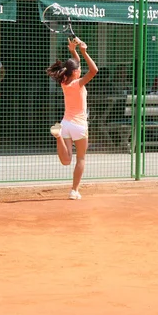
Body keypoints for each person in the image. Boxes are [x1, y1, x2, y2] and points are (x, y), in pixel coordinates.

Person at [46, 38, 98, 200]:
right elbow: (94, 70)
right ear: (75, 72)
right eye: (78, 69)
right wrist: (83, 51)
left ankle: (58, 136)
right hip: (79, 126)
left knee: (66, 160)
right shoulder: (78, 84)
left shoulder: (64, 81)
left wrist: (73, 51)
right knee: (80, 158)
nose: (80, 70)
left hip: (66, 124)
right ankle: (74, 190)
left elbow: (76, 66)